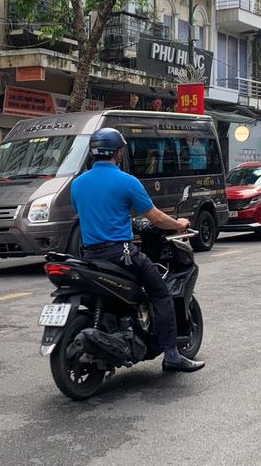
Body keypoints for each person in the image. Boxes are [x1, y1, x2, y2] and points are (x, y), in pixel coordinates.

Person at [69, 128, 204, 373]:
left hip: (90, 256)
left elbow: (86, 213)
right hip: (121, 255)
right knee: (161, 293)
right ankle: (172, 355)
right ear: (118, 153)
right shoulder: (127, 181)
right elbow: (156, 218)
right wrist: (179, 223)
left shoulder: (78, 184)